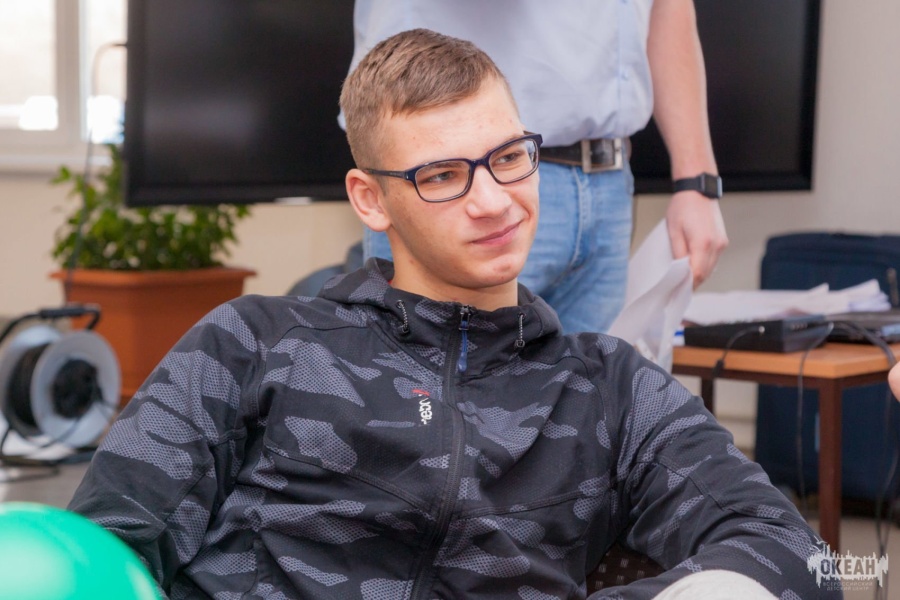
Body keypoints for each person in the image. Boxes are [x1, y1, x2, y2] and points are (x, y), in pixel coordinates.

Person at [69, 29, 835, 599]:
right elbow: (101, 548)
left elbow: (796, 552)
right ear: (371, 199)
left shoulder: (610, 389)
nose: (494, 202)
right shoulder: (255, 342)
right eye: (442, 176)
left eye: (508, 157)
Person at [346, 0, 728, 335]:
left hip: (605, 179)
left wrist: (697, 180)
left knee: (591, 389)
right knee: (441, 384)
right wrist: (496, 162)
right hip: (472, 174)